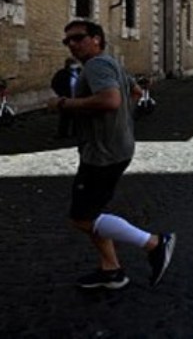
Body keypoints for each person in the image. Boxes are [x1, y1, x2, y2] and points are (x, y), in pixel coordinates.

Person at [46, 20, 175, 290]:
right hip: (117, 147)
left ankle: (154, 243)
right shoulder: (111, 63)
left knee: (82, 217)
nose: (71, 44)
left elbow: (110, 100)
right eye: (67, 40)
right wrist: (120, 122)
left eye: (78, 38)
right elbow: (136, 92)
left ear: (96, 39)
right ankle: (111, 270)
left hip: (102, 153)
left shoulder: (96, 65)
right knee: (93, 213)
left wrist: (64, 104)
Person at [50, 57, 81, 138]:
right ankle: (62, 134)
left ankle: (76, 133)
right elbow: (54, 84)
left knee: (77, 117)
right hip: (66, 98)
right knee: (65, 116)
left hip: (78, 98)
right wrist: (61, 94)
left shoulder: (80, 72)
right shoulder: (62, 73)